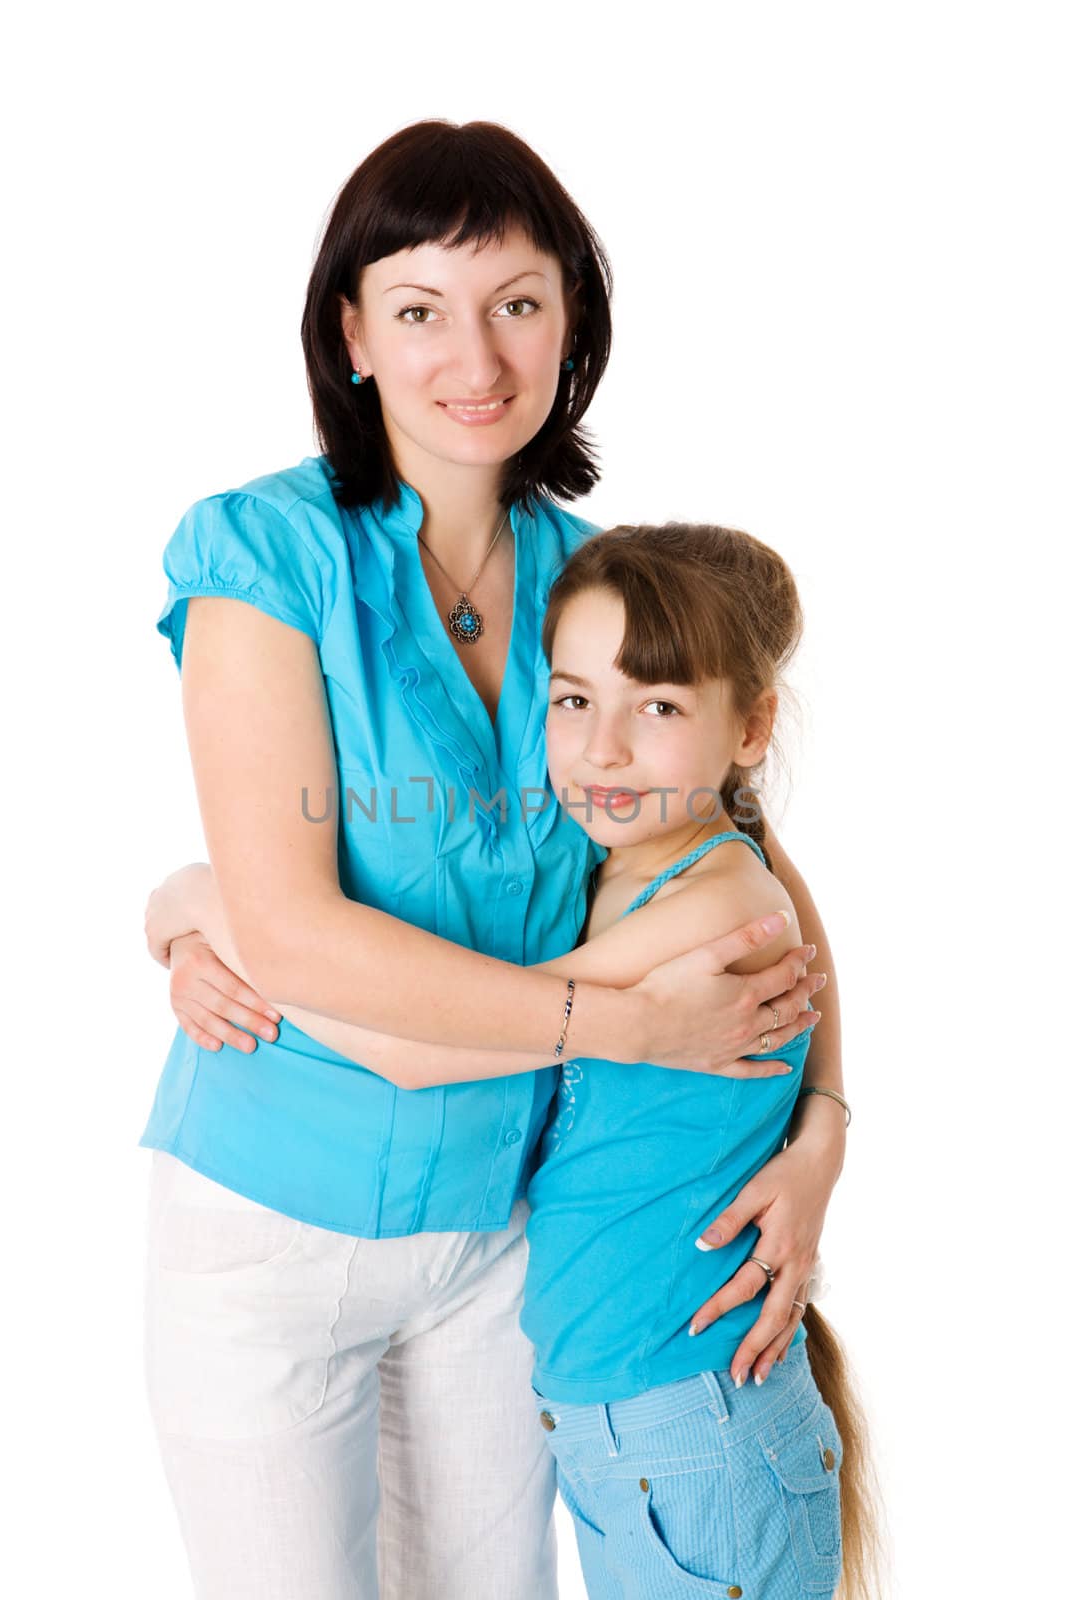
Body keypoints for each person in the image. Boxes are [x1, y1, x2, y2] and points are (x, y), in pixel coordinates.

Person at [141, 120, 846, 1598]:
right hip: (275, 1233)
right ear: (351, 332)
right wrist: (626, 1026)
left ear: (570, 321)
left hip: (497, 1239)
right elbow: (302, 937)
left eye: (516, 302)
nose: (474, 355)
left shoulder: (595, 583)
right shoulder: (264, 556)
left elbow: (744, 851)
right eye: (418, 308)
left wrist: (824, 1124)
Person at [153, 519, 875, 1599]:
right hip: (616, 1420)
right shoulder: (627, 851)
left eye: (660, 707)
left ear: (750, 726)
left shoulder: (706, 907)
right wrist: (182, 913)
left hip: (689, 1418)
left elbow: (422, 1045)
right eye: (572, 699)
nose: (603, 748)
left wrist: (207, 903)